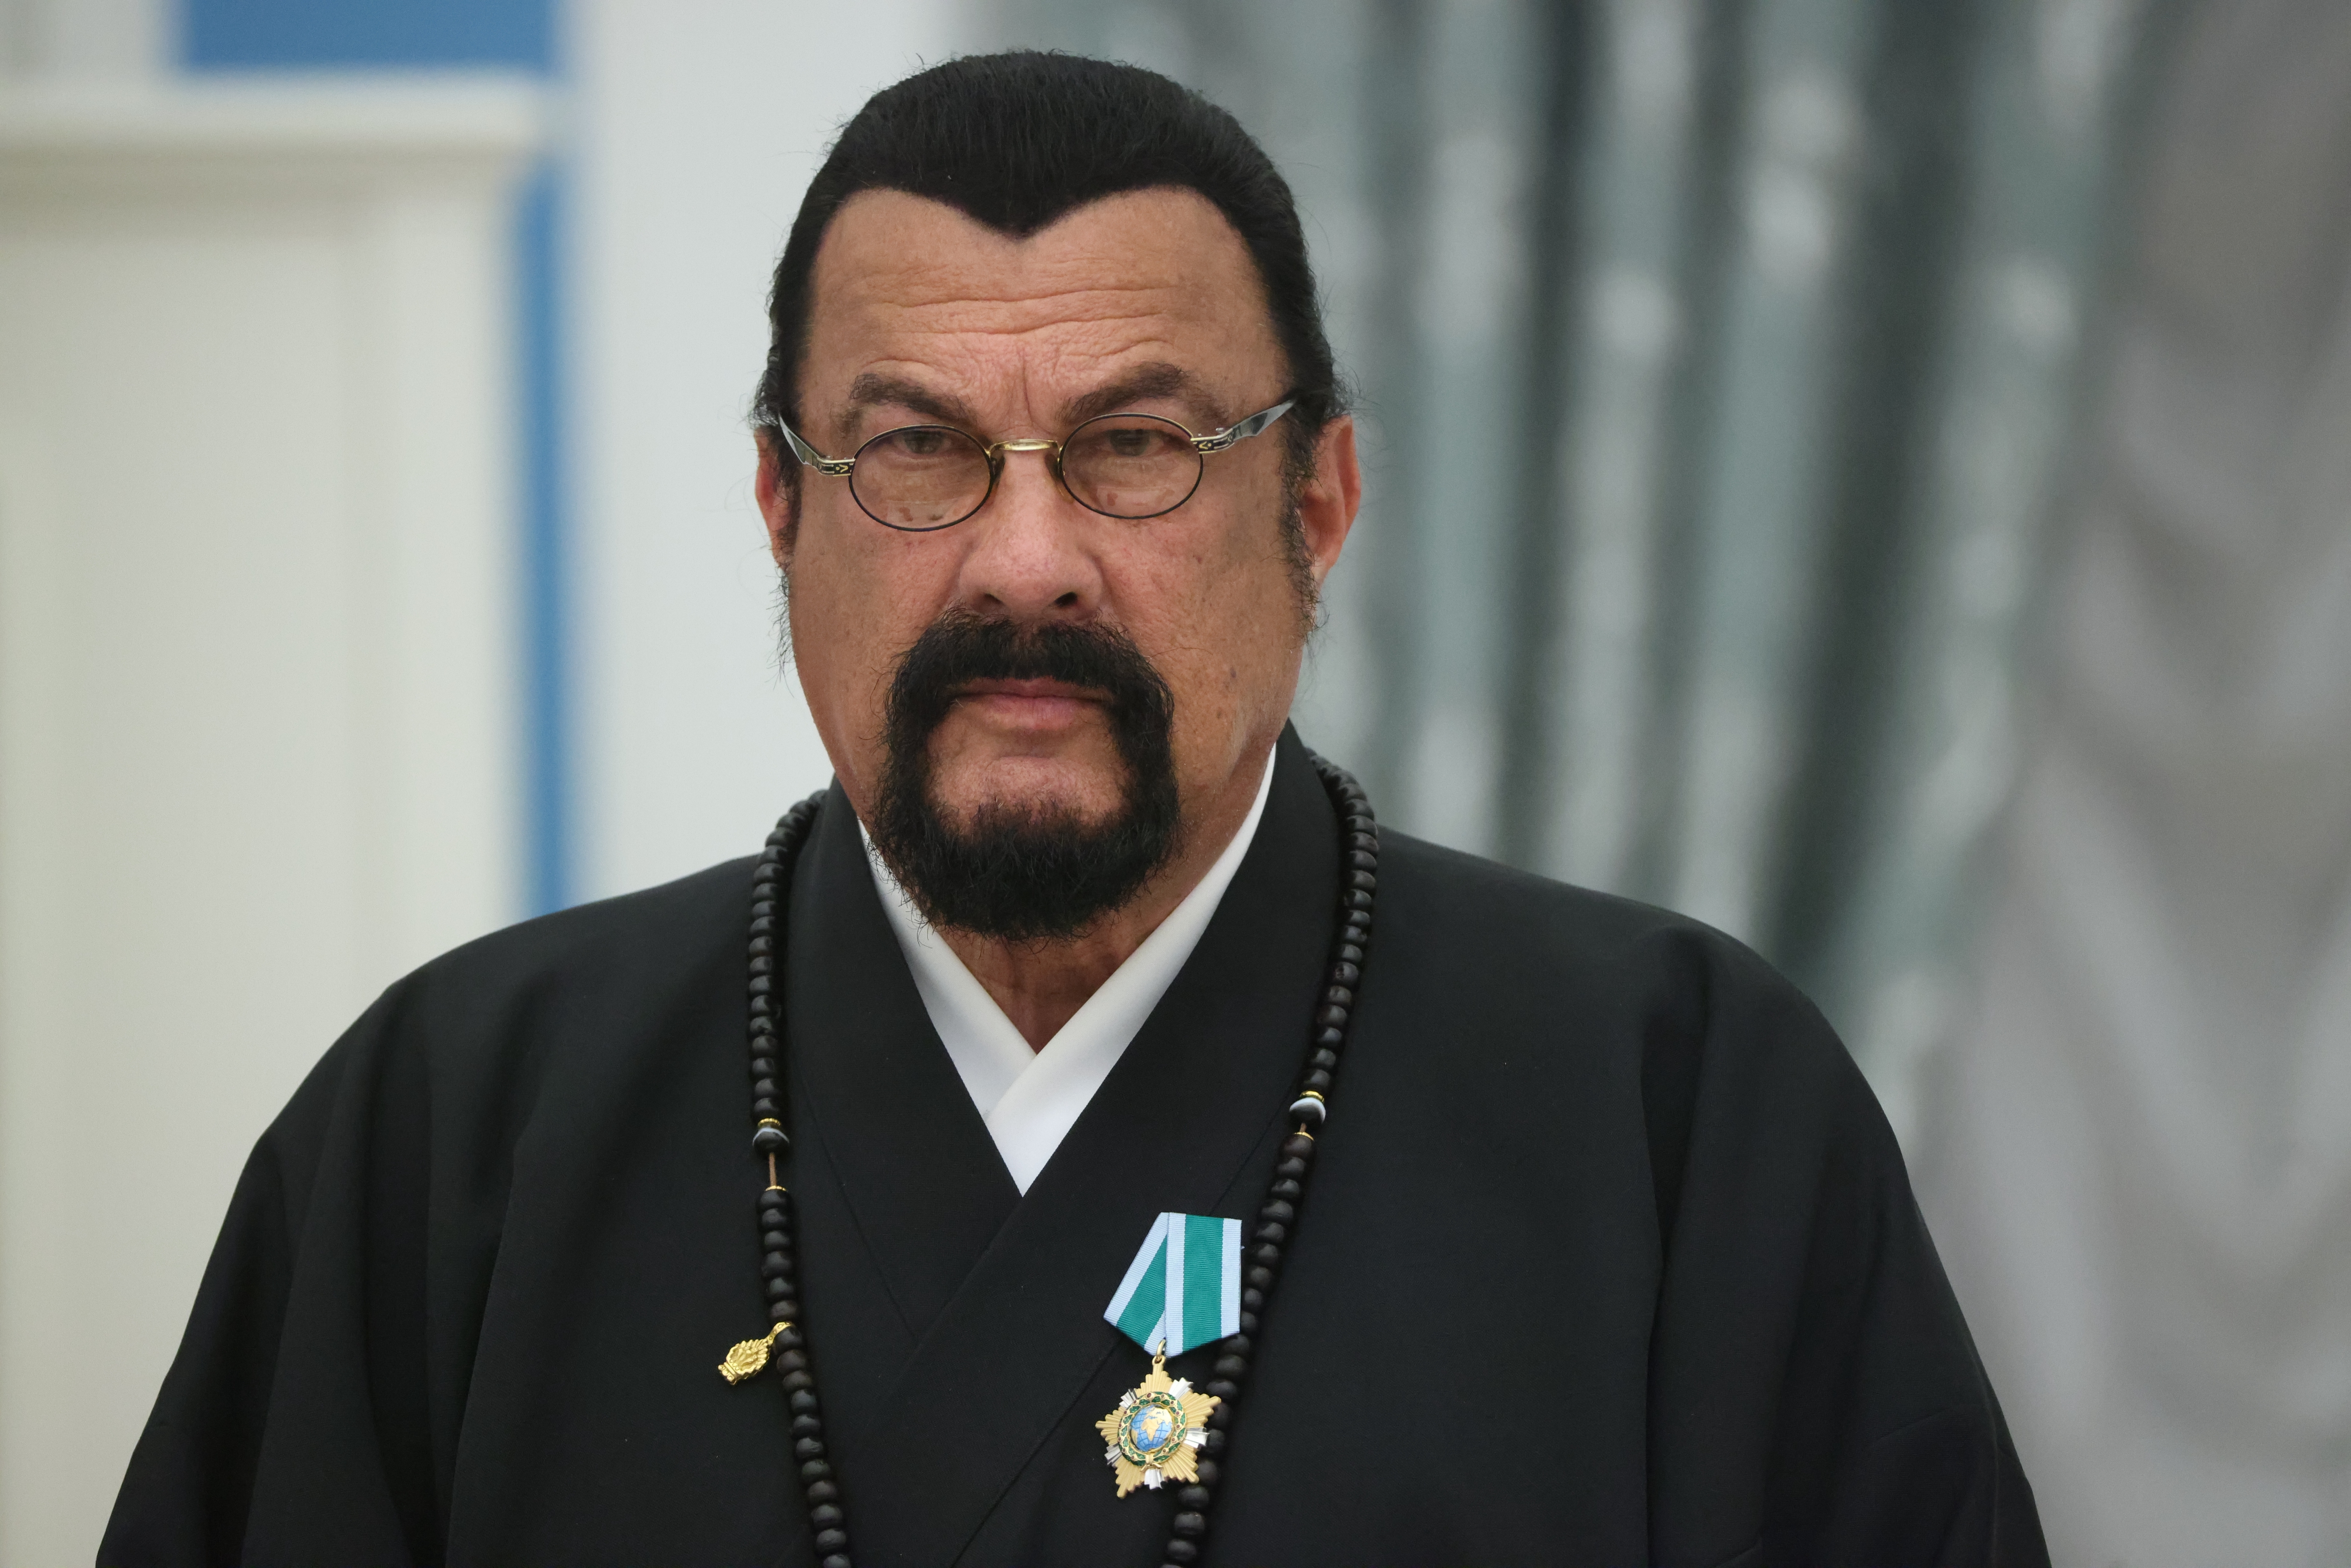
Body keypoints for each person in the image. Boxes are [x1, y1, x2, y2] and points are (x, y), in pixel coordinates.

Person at [101, 51, 2046, 1568]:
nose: (1023, 560)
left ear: (1318, 505)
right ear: (779, 511)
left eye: (1132, 446)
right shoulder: (459, 1131)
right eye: (914, 449)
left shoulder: (1680, 1108)